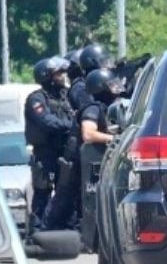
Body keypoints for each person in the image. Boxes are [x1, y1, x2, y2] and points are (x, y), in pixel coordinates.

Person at [43, 68, 124, 236]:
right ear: (100, 88)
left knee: (75, 204)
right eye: (110, 85)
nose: (114, 89)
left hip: (82, 164)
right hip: (76, 165)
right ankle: (45, 235)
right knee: (62, 204)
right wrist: (115, 139)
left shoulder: (102, 108)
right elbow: (88, 134)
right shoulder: (92, 108)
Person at [23, 56, 73, 227]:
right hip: (45, 154)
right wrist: (70, 126)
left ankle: (65, 225)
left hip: (64, 152)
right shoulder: (36, 99)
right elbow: (47, 121)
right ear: (47, 76)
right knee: (43, 191)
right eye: (58, 74)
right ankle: (37, 228)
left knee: (66, 191)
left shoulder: (64, 96)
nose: (62, 77)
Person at [68, 43, 112, 111]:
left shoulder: (101, 83)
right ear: (91, 63)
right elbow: (90, 110)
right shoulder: (80, 87)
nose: (108, 66)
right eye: (103, 62)